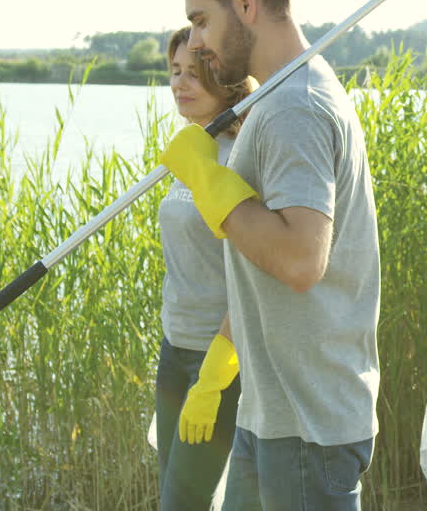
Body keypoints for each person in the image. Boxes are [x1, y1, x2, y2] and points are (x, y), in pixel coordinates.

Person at [159, 0, 381, 511]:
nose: (198, 43)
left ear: (245, 4)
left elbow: (302, 260)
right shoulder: (277, 97)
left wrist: (207, 179)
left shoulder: (294, 106)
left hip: (309, 424)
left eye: (201, 20)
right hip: (274, 411)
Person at [155, 26, 256, 511]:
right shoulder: (189, 153)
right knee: (174, 495)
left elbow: (253, 276)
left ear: (226, 79)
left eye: (194, 73)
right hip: (173, 349)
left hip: (216, 360)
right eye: (175, 71)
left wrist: (215, 377)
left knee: (183, 504)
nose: (180, 83)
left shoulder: (238, 160)